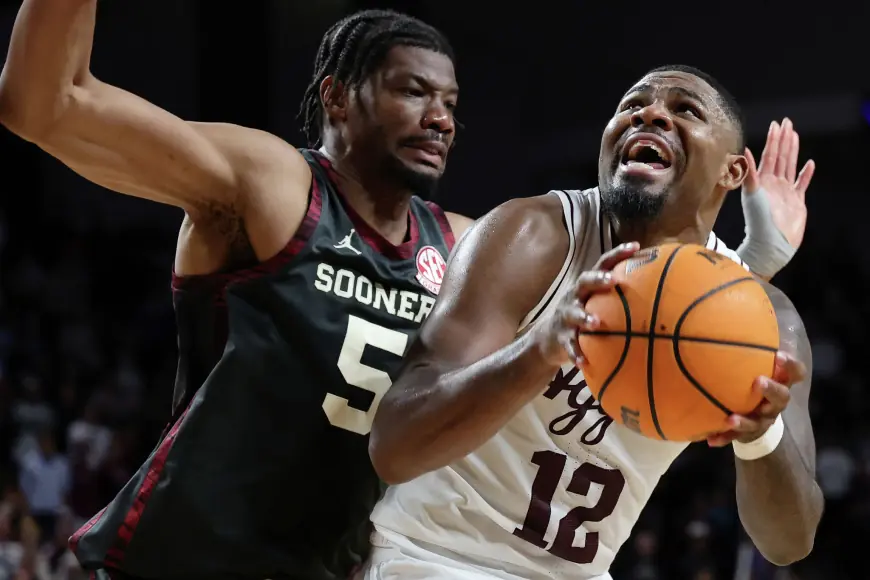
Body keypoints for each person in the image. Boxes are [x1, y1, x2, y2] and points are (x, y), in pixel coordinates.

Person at [0, 3, 473, 579]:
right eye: (414, 92)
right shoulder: (276, 187)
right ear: (338, 98)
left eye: (449, 103)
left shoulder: (458, 248)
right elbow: (46, 105)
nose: (440, 119)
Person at [365, 65, 823, 579]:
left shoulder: (762, 318)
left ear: (733, 172)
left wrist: (760, 433)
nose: (649, 114)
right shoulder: (535, 236)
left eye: (685, 110)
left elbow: (790, 541)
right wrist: (540, 350)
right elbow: (395, 449)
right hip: (433, 557)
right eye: (632, 105)